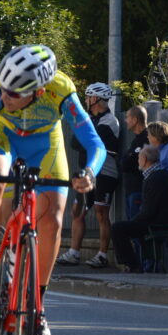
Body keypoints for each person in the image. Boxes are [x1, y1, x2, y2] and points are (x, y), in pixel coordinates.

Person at [0, 44, 102, 335]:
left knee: (53, 220)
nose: (4, 97)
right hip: (3, 138)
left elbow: (95, 143)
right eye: (3, 89)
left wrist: (90, 173)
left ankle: (37, 309)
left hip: (45, 145)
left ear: (38, 92)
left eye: (13, 94)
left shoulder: (61, 92)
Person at [58, 82, 121, 267]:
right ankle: (74, 252)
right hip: (85, 173)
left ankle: (102, 255)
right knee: (77, 211)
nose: (85, 100)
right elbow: (74, 143)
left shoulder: (110, 121)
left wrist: (84, 141)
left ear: (96, 99)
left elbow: (91, 144)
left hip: (105, 172)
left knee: (101, 213)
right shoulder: (91, 120)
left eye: (88, 97)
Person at [110, 145, 168, 272]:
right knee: (122, 227)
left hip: (157, 222)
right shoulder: (159, 173)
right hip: (158, 219)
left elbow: (149, 209)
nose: (138, 161)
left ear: (145, 159)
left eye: (139, 158)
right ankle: (135, 264)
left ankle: (134, 266)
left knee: (117, 228)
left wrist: (135, 221)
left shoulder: (156, 177)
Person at [118, 105, 149, 219]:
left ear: (135, 120)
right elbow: (126, 162)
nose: (125, 120)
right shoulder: (136, 139)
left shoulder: (146, 138)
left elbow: (129, 163)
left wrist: (126, 161)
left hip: (139, 190)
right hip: (131, 191)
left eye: (128, 117)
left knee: (136, 229)